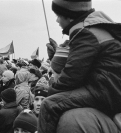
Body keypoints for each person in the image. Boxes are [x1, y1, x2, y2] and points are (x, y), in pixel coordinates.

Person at [38, 0, 121, 133]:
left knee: (48, 105)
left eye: (58, 16)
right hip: (111, 88)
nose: (57, 21)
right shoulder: (93, 25)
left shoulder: (83, 32)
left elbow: (72, 75)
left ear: (69, 16)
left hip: (106, 91)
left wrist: (51, 93)